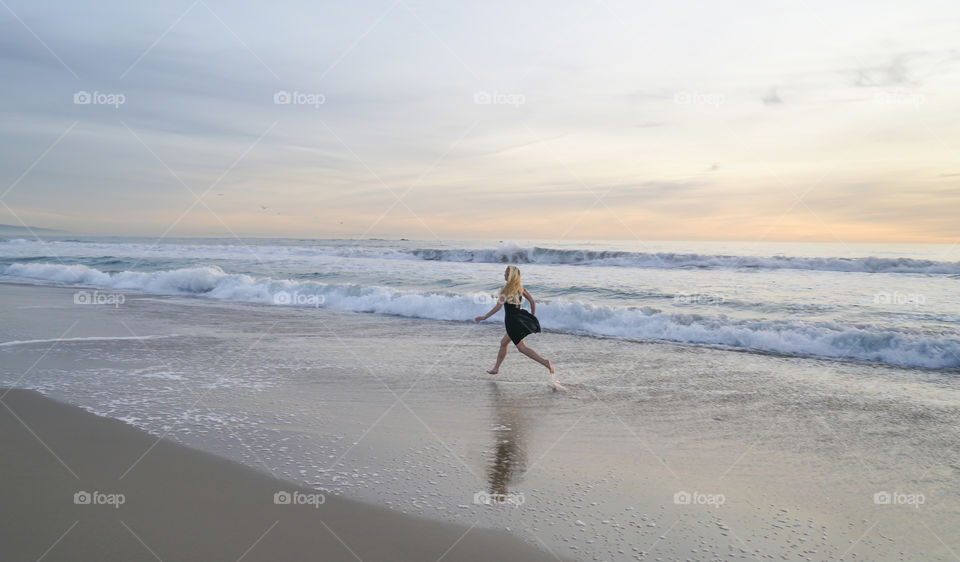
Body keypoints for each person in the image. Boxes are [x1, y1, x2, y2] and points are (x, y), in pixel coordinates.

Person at [475, 266, 559, 387]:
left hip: (511, 322)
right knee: (504, 342)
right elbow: (532, 301)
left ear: (510, 275)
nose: (504, 274)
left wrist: (484, 317)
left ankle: (545, 362)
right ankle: (496, 368)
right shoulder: (520, 288)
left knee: (521, 348)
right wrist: (531, 316)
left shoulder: (505, 290)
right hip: (519, 318)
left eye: (505, 273)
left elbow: (498, 307)